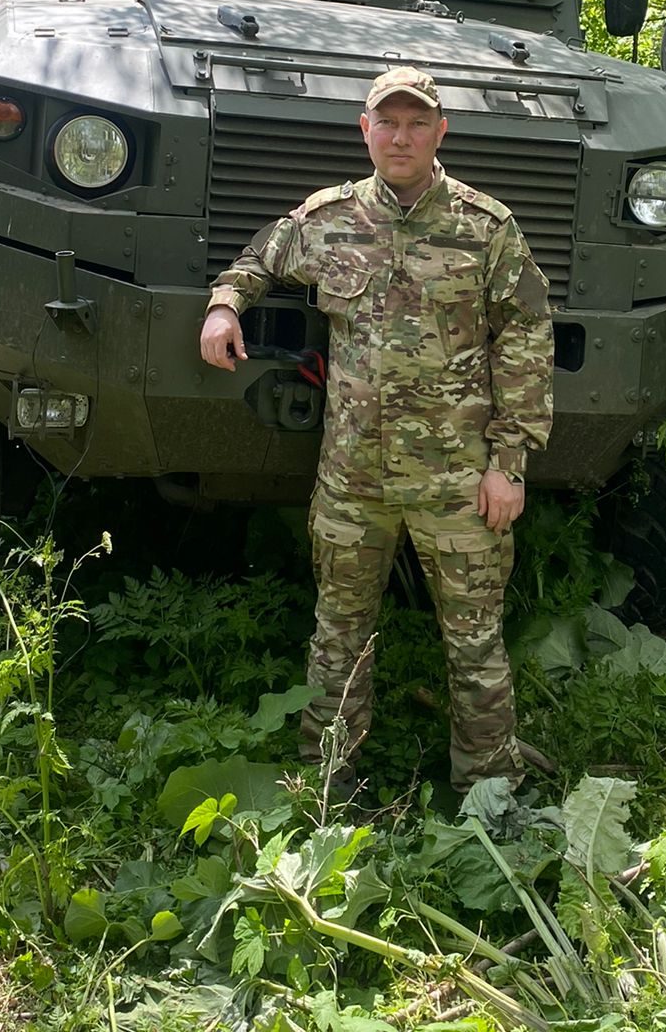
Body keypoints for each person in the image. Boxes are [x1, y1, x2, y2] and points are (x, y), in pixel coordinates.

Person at [199, 67, 554, 792]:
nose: (401, 137)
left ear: (440, 132)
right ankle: (328, 789)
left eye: (417, 123)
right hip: (352, 480)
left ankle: (488, 794)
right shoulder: (328, 220)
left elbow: (526, 340)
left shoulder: (486, 228)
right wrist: (225, 305)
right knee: (338, 637)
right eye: (387, 123)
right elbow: (259, 259)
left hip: (459, 481)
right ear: (365, 130)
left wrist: (508, 463)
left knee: (476, 643)